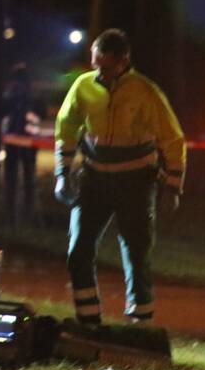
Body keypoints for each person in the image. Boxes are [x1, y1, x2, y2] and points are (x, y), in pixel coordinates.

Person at [54, 29, 186, 325]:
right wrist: (62, 174)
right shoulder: (83, 86)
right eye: (95, 63)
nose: (98, 71)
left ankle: (140, 324)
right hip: (93, 181)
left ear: (123, 60)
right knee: (78, 251)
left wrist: (173, 186)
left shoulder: (145, 91)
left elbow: (172, 139)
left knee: (137, 255)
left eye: (105, 65)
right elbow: (66, 126)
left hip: (136, 184)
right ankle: (88, 322)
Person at [1, 63, 43, 225]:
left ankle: (23, 213)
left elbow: (39, 114)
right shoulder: (19, 96)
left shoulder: (28, 97)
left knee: (24, 177)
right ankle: (16, 213)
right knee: (21, 178)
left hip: (23, 140)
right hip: (19, 141)